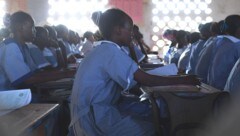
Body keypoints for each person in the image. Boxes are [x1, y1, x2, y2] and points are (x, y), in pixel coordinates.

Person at [69, 8, 200, 136]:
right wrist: (183, 79)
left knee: (148, 113)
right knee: (154, 128)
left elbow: (133, 81)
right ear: (118, 30)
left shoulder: (103, 49)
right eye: (130, 29)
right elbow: (146, 79)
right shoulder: (110, 52)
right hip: (94, 119)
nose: (132, 34)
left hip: (95, 111)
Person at [207, 15, 240, 90]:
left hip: (212, 87)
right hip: (225, 92)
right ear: (238, 29)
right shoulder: (236, 45)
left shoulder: (220, 41)